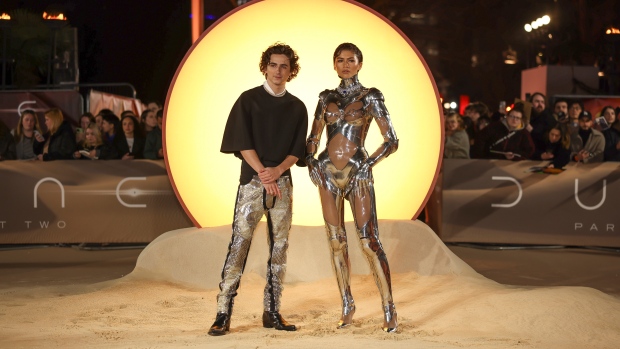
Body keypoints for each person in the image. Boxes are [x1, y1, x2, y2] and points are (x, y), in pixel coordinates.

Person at [209, 43, 308, 336]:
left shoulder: (297, 107)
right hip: (252, 184)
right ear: (265, 66)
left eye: (284, 66)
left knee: (280, 249)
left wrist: (277, 171)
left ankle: (272, 311)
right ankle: (223, 312)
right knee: (238, 245)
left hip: (283, 185)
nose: (278, 71)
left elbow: (297, 150)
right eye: (274, 65)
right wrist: (265, 174)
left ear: (292, 71)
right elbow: (241, 141)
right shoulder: (248, 100)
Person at [305, 43, 398, 333]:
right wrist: (311, 161)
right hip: (328, 173)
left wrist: (368, 164)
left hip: (357, 172)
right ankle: (347, 304)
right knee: (336, 241)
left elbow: (391, 140)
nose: (345, 65)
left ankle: (389, 307)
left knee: (369, 241)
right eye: (340, 60)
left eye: (351, 60)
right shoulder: (325, 98)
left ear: (359, 64)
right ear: (334, 65)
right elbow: (314, 137)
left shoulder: (370, 96)